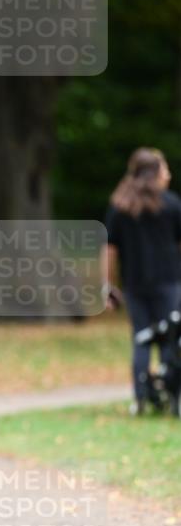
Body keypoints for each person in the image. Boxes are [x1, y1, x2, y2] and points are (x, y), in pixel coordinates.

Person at [103, 147, 181, 414]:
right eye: (165, 169)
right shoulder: (171, 204)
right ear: (156, 172)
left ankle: (140, 398)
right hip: (168, 282)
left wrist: (108, 285)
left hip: (135, 284)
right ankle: (172, 395)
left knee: (141, 339)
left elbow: (109, 250)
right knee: (171, 338)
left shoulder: (120, 207)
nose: (168, 174)